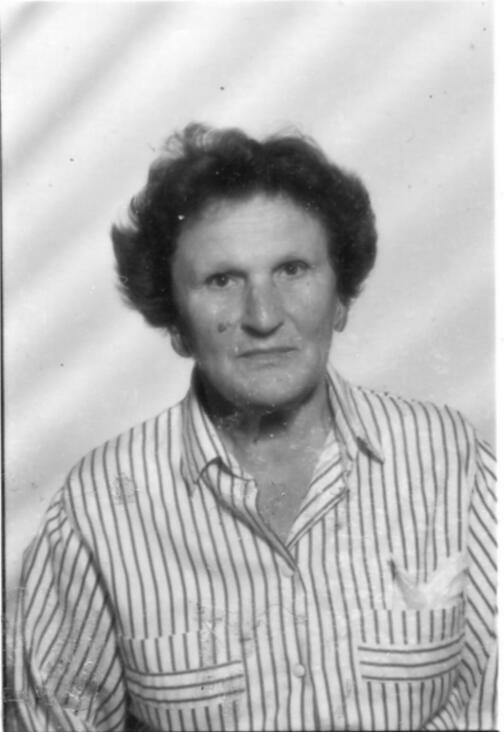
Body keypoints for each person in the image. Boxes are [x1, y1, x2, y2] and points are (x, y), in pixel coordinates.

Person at [13, 123, 496, 731]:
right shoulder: (98, 507)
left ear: (341, 298)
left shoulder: (454, 462)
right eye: (221, 280)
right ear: (175, 322)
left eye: (292, 269)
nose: (263, 316)